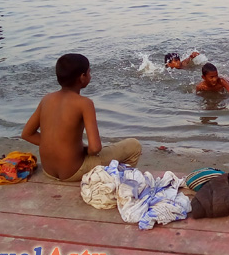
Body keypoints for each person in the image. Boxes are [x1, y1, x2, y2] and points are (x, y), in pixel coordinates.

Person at [22, 53, 142, 181]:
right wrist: (86, 151)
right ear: (82, 77)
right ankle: (116, 181)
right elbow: (95, 148)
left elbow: (27, 134)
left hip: (49, 170)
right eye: (89, 72)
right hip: (73, 172)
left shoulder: (47, 99)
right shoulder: (84, 103)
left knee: (82, 145)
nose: (90, 75)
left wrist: (60, 147)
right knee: (134, 146)